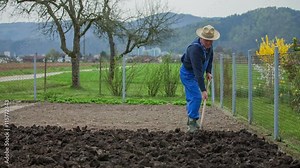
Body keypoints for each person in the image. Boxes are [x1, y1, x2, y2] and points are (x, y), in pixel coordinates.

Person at [180, 25, 220, 132]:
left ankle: (191, 120)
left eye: (211, 41)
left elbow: (209, 59)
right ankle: (192, 123)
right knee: (197, 97)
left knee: (192, 97)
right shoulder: (194, 49)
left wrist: (208, 71)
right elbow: (197, 72)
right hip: (188, 74)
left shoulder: (209, 47)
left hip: (197, 73)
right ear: (201, 38)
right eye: (206, 40)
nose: (208, 43)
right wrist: (203, 90)